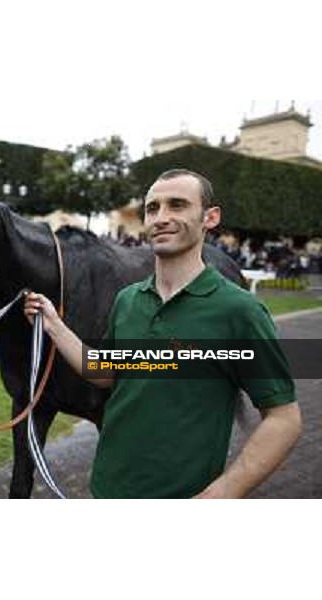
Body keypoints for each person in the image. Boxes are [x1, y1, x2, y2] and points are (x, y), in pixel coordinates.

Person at [24, 169, 302, 499]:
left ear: (209, 218)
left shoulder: (239, 311)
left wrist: (224, 492)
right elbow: (106, 372)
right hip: (106, 488)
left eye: (178, 205)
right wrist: (54, 324)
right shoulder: (128, 300)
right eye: (153, 208)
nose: (162, 217)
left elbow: (284, 419)